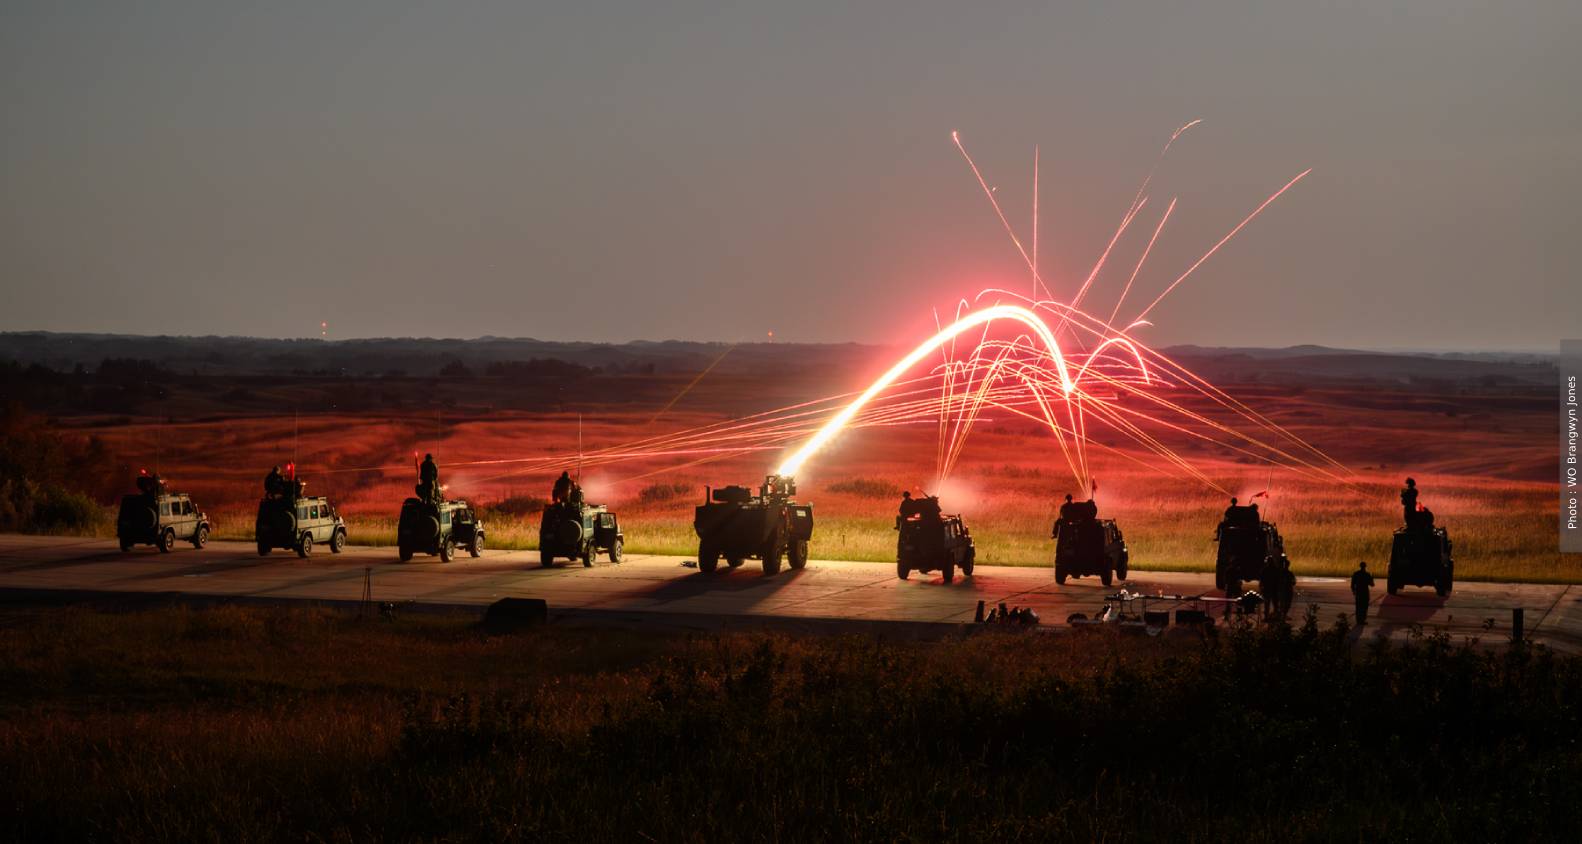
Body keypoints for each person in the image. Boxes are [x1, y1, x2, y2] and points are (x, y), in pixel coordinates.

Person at [1351, 561, 1375, 626]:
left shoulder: (1356, 574)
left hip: (1358, 592)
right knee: (1364, 607)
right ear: (1365, 566)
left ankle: (1358, 620)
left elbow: (1352, 584)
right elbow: (1372, 584)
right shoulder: (1367, 574)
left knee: (1358, 606)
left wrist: (1354, 591)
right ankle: (1362, 619)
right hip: (1365, 593)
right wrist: (1372, 578)